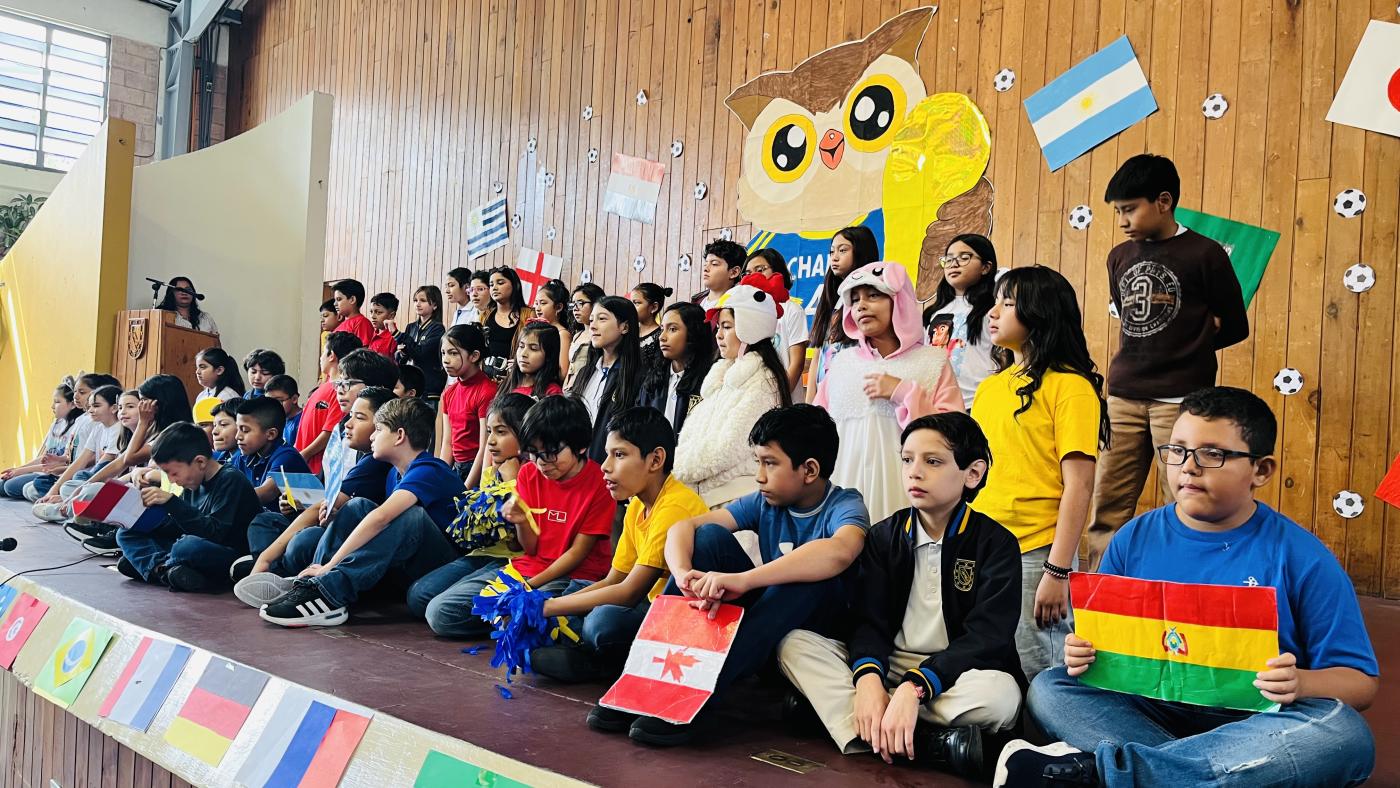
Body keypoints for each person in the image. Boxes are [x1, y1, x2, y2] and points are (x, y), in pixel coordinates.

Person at [995, 387, 1378, 788]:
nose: (1188, 467)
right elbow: (1101, 649)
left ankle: (1104, 775)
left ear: (1261, 471)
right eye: (1177, 450)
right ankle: (1206, 773)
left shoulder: (1302, 556)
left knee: (1344, 734)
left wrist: (1301, 682)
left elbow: (1360, 682)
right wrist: (1084, 653)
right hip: (1150, 711)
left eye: (1212, 454)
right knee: (1051, 688)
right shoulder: (1132, 539)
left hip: (1259, 721)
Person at [779, 413, 1022, 778]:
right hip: (890, 664)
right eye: (907, 459)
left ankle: (857, 722)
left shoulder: (996, 544)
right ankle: (928, 742)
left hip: (955, 674)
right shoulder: (883, 537)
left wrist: (915, 688)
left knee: (1001, 696)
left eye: (933, 462)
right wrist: (868, 680)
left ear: (972, 473)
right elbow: (868, 621)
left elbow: (987, 638)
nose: (914, 472)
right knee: (795, 644)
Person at [608, 405, 868, 746]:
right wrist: (684, 575)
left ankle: (696, 701)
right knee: (708, 539)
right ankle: (645, 682)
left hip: (816, 640)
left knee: (803, 580)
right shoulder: (764, 502)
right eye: (758, 462)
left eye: (769, 463)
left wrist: (745, 580)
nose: (759, 475)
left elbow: (840, 551)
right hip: (763, 633)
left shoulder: (845, 504)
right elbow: (683, 528)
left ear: (809, 470)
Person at [1085, 154, 1251, 571]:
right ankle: (1103, 587)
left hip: (1179, 399)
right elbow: (1130, 319)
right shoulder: (1118, 256)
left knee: (1182, 495)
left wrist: (1192, 341)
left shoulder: (1206, 254)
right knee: (1108, 499)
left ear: (1163, 201)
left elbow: (1235, 325)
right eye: (1117, 211)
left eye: (1129, 209)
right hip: (1123, 396)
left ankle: (1177, 580)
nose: (1122, 221)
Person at [970, 266, 1107, 679]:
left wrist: (1057, 570)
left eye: (1008, 303)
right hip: (984, 547)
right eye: (995, 302)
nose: (994, 312)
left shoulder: (1071, 386)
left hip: (1036, 552)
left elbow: (1080, 485)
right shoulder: (989, 388)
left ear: (1040, 313)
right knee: (988, 668)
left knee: (1041, 675)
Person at [529, 406, 708, 681]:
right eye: (607, 454)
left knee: (602, 622)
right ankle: (586, 651)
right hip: (643, 603)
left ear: (655, 459)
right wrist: (549, 602)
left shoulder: (674, 507)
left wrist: (546, 608)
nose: (605, 466)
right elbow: (614, 579)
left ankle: (603, 666)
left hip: (675, 617)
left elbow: (629, 592)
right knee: (575, 590)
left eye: (619, 455)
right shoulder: (637, 505)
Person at [413, 395, 614, 638]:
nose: (541, 463)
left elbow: (576, 554)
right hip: (525, 569)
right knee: (440, 613)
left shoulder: (600, 484)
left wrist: (527, 586)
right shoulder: (529, 473)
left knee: (541, 621)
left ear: (580, 446)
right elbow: (529, 548)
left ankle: (515, 620)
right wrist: (521, 522)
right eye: (534, 453)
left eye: (550, 453)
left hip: (572, 576)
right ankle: (510, 620)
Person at [259, 397, 466, 627]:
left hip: (446, 567)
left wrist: (331, 565)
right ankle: (311, 584)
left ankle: (327, 590)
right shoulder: (394, 474)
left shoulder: (429, 469)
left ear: (399, 435)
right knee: (357, 505)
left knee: (411, 517)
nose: (372, 437)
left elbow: (381, 518)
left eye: (378, 429)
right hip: (409, 565)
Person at [814, 262, 963, 524]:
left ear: (900, 301)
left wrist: (904, 392)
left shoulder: (933, 361)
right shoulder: (841, 363)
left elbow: (956, 433)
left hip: (907, 493)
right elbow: (816, 429)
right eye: (855, 299)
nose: (861, 306)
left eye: (873, 295)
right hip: (842, 496)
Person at [233, 386, 396, 606]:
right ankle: (277, 574)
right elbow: (323, 497)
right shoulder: (353, 450)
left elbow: (330, 505)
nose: (348, 424)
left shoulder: (375, 461)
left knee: (305, 540)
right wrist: (299, 502)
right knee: (266, 521)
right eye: (350, 416)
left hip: (356, 542)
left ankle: (293, 579)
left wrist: (266, 557)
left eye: (359, 418)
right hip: (325, 523)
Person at [406, 392, 530, 633]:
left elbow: (519, 540)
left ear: (525, 435)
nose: (491, 441)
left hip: (513, 560)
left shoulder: (533, 474)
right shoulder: (493, 469)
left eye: (501, 432)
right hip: (482, 554)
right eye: (489, 431)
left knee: (440, 614)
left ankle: (504, 615)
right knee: (418, 596)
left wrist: (512, 483)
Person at [673, 274, 792, 505]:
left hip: (735, 500)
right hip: (705, 495)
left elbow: (729, 447)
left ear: (751, 328)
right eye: (719, 327)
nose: (718, 334)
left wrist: (679, 469)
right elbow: (691, 435)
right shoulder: (724, 376)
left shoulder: (763, 380)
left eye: (726, 327)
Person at [115, 422, 262, 593]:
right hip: (193, 544)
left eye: (174, 473)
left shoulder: (231, 480)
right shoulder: (193, 482)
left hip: (226, 552)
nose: (171, 480)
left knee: (186, 546)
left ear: (200, 462)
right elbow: (181, 526)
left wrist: (172, 503)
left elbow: (215, 533)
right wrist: (146, 519)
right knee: (126, 533)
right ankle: (167, 571)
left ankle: (159, 569)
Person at [922, 234, 1002, 409]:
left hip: (977, 403)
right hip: (937, 405)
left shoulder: (993, 309)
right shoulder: (934, 313)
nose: (954, 264)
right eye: (949, 259)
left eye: (964, 257)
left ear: (986, 267)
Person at [32, 385, 127, 519]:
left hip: (104, 482)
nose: (91, 410)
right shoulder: (99, 428)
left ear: (114, 408)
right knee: (59, 485)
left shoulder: (118, 430)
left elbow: (102, 468)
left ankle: (65, 510)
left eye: (96, 406)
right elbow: (80, 461)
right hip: (91, 481)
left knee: (75, 483)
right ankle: (72, 506)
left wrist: (70, 493)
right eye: (90, 406)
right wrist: (54, 489)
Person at [806, 226, 879, 403]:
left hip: (851, 396)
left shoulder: (873, 301)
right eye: (832, 252)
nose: (835, 257)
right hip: (823, 398)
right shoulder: (832, 299)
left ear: (861, 251)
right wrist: (809, 403)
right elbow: (818, 354)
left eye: (843, 250)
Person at [570, 296, 645, 463]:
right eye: (591, 320)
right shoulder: (585, 373)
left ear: (625, 327)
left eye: (602, 319)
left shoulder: (638, 377)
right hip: (577, 464)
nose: (593, 326)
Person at [637, 302, 714, 433]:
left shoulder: (709, 381)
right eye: (662, 329)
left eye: (672, 329)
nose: (662, 337)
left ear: (694, 333)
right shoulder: (654, 378)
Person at [295, 332, 363, 475]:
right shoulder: (323, 387)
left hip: (317, 468)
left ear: (331, 355)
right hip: (303, 463)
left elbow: (331, 432)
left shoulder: (341, 391)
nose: (321, 358)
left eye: (323, 353)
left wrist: (305, 454)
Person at [437, 323, 497, 484]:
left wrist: (466, 489)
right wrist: (441, 479)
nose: (446, 360)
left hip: (478, 468)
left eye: (453, 353)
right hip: (457, 467)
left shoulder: (487, 391)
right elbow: (447, 443)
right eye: (443, 353)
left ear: (474, 356)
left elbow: (485, 447)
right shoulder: (449, 392)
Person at [743, 249, 809, 396]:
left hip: (784, 400)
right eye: (747, 273)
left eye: (760, 270)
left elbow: (796, 364)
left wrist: (780, 398)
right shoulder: (744, 313)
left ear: (777, 272)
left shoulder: (792, 310)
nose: (753, 276)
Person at [231, 397, 312, 510]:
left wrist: (226, 499)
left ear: (271, 434)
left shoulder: (287, 456)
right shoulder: (243, 457)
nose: (237, 436)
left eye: (245, 430)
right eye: (237, 429)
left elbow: (267, 492)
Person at [2, 382, 79, 499]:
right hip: (40, 470)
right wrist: (18, 469)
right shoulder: (57, 423)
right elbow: (44, 457)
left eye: (57, 402)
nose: (52, 406)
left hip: (52, 473)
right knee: (2, 485)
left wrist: (21, 471)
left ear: (72, 404)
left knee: (10, 486)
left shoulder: (76, 427)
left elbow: (62, 463)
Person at [481, 267, 536, 381]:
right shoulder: (484, 315)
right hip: (485, 379)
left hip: (515, 379)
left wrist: (520, 362)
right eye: (491, 285)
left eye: (500, 283)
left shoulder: (528, 314)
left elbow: (535, 348)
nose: (494, 288)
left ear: (515, 285)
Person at [396, 285, 447, 396]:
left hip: (428, 386)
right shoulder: (411, 327)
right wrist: (402, 353)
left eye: (423, 300)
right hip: (410, 385)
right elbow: (401, 358)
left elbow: (421, 354)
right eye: (415, 300)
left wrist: (397, 334)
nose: (417, 304)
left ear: (435, 305)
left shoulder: (438, 328)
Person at [564, 283, 604, 389]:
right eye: (573, 304)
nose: (575, 308)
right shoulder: (577, 335)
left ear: (596, 303)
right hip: (569, 389)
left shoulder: (600, 336)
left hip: (587, 388)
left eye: (581, 303)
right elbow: (570, 368)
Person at [533, 279, 575, 380]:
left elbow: (563, 373)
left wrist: (534, 369)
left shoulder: (563, 334)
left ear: (559, 307)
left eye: (543, 303)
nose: (537, 308)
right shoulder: (536, 330)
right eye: (536, 303)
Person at [691, 238, 745, 309]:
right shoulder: (696, 301)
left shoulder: (739, 306)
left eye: (714, 264)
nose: (705, 269)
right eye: (705, 264)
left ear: (734, 272)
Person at [630, 282, 671, 368]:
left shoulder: (660, 337)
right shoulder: (629, 331)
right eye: (631, 303)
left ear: (654, 307)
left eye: (636, 303)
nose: (630, 307)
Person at [331, 278, 375, 346]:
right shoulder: (344, 323)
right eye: (335, 300)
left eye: (339, 299)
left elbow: (363, 350)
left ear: (352, 299)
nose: (335, 304)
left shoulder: (361, 322)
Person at [264, 375, 303, 446]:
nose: (273, 406)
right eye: (269, 402)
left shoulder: (301, 421)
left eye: (279, 401)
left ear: (294, 399)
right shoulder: (279, 419)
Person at [366, 292, 401, 357]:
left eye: (378, 312)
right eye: (371, 312)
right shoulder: (373, 332)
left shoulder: (394, 339)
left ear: (391, 315)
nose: (372, 316)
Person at [208, 398, 244, 462]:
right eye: (214, 425)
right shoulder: (222, 458)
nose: (214, 432)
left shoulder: (247, 463)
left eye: (223, 424)